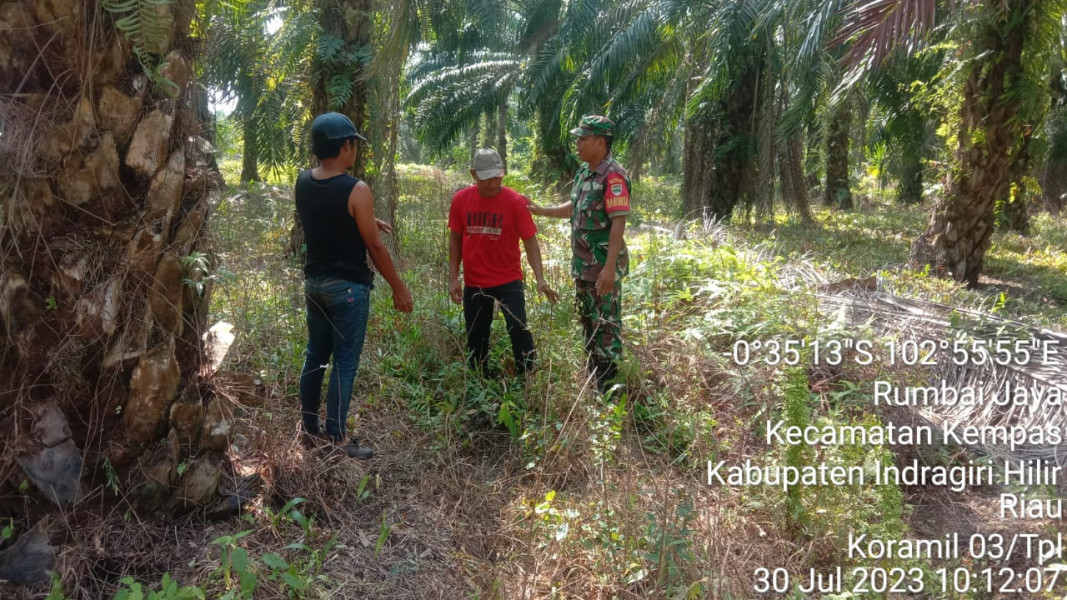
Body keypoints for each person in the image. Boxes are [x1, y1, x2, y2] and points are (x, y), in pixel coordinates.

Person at [295, 112, 414, 458]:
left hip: (314, 284)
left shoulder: (303, 181)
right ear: (345, 146)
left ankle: (309, 429)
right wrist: (399, 288)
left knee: (316, 355)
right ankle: (337, 437)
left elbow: (324, 216)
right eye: (354, 145)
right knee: (345, 361)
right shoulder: (356, 189)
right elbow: (374, 246)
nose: (355, 151)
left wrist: (366, 218)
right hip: (347, 289)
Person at [527, 115, 629, 393]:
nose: (578, 143)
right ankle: (593, 377)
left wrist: (609, 269)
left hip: (603, 268)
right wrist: (542, 210)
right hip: (583, 267)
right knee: (587, 321)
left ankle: (608, 388)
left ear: (600, 141)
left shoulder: (613, 176)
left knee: (606, 325)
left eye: (583, 138)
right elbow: (573, 208)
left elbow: (618, 221)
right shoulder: (585, 173)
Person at [449, 148, 559, 377]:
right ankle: (480, 376)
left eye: (497, 178)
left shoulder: (515, 202)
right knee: (476, 334)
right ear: (473, 174)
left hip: (509, 279)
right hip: (475, 280)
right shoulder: (460, 201)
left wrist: (540, 279)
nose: (492, 184)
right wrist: (453, 278)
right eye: (486, 179)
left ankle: (528, 375)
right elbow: (455, 239)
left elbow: (530, 242)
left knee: (518, 327)